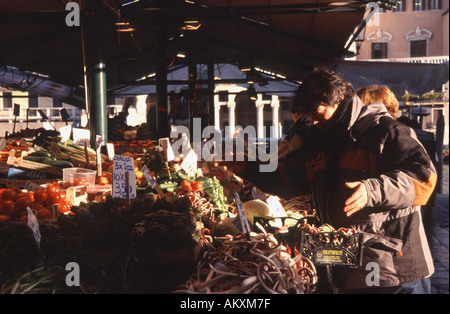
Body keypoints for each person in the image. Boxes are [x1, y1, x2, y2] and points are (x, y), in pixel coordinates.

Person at [294, 67, 437, 294]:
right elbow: (297, 181)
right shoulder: (326, 141)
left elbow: (425, 180)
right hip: (352, 271)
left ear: (339, 99)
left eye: (319, 114)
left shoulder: (388, 132)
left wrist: (371, 190)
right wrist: (249, 168)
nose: (314, 122)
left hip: (396, 274)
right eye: (309, 116)